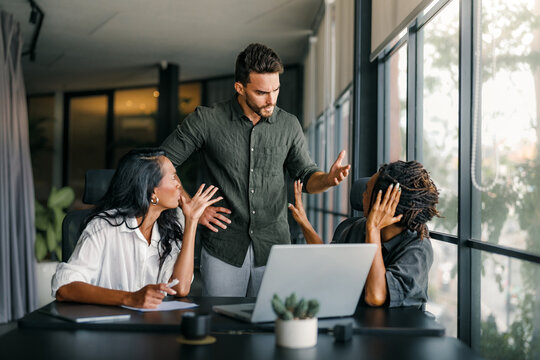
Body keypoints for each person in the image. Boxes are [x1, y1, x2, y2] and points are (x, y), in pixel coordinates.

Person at [161, 43, 350, 297]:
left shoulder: (288, 125)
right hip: (223, 246)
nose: (272, 100)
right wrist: (189, 204)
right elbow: (161, 161)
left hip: (274, 247)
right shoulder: (207, 120)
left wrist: (327, 179)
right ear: (240, 87)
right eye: (262, 92)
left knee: (273, 328)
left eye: (276, 90)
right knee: (223, 327)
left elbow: (306, 176)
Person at [51, 148, 223, 308]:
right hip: (108, 327)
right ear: (152, 191)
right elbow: (64, 287)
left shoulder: (169, 227)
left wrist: (191, 220)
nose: (179, 184)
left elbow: (180, 288)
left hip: (151, 327)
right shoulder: (103, 227)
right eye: (172, 177)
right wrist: (130, 298)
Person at [288, 160, 439, 308]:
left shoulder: (418, 248)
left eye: (367, 190)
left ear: (384, 203)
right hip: (354, 318)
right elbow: (328, 264)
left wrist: (373, 230)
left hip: (395, 328)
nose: (363, 195)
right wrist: (303, 222)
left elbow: (376, 296)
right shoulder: (357, 228)